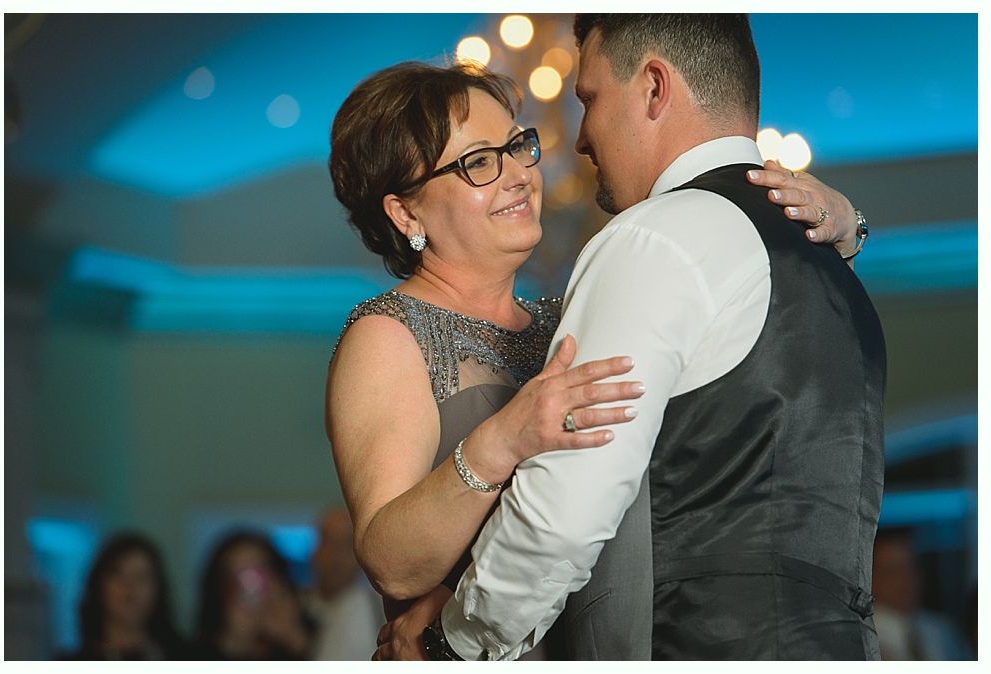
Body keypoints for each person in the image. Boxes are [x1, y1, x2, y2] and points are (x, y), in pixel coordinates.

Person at [378, 14, 885, 661]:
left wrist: (452, 643)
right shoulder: (834, 266)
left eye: (588, 99)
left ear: (653, 88)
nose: (581, 137)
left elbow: (567, 507)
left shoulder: (653, 240)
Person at [192, 529, 312, 660]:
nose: (252, 587)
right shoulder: (196, 653)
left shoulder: (316, 631)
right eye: (240, 578)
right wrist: (233, 643)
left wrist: (296, 640)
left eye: (259, 572)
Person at [64, 531, 185, 660]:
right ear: (99, 584)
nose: (130, 587)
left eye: (141, 577)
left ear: (158, 588)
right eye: (119, 575)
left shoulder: (186, 657)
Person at [871, 528, 973, 660]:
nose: (905, 579)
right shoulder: (859, 638)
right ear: (870, 578)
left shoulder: (942, 630)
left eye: (910, 567)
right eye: (892, 571)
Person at [303, 507, 385, 660]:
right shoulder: (294, 606)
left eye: (347, 544)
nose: (337, 556)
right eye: (329, 542)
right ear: (315, 550)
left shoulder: (374, 608)